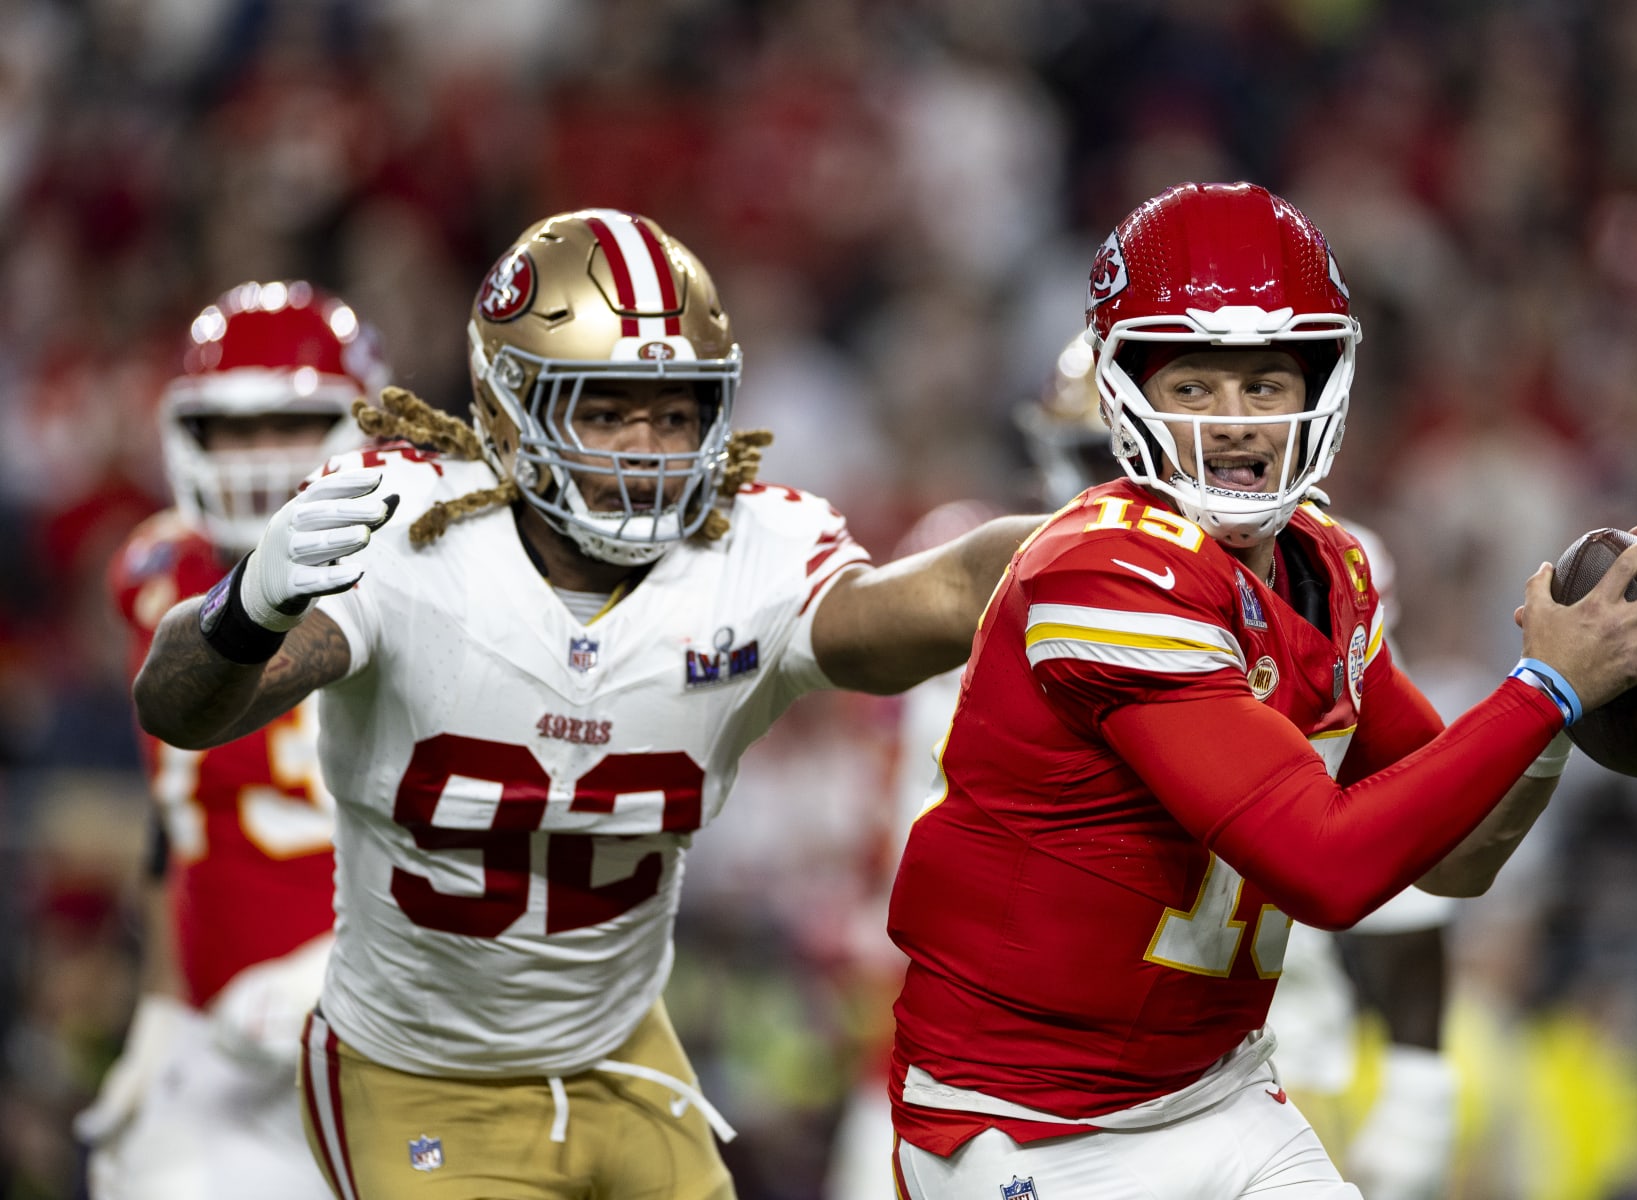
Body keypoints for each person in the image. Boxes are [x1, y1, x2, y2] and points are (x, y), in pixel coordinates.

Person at [129, 208, 1042, 1200]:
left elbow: (949, 591)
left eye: (676, 411)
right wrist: (246, 605)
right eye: (604, 412)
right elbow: (183, 707)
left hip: (621, 1053)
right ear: (512, 413)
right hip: (425, 1076)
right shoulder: (409, 538)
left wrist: (1114, 547)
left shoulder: (748, 560)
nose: (647, 448)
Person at [883, 181, 1637, 1199]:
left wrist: (1560, 709)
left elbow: (1452, 860)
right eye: (1194, 387)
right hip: (1030, 1122)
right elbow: (1322, 866)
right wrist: (1545, 687)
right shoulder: (1103, 576)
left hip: (1217, 1094)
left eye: (1266, 384)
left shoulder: (1329, 564)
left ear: (1321, 385)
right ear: (1125, 390)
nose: (1235, 425)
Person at [824, 333, 1459, 1200]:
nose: (1126, 484)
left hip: (1262, 1060)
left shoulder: (1314, 577)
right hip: (1031, 1082)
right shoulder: (1008, 580)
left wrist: (1420, 1072)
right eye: (1103, 453)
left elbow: (1402, 818)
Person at [79, 280, 385, 1200]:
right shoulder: (156, 572)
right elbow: (175, 826)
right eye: (231, 429)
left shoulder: (413, 569)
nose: (257, 457)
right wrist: (161, 1010)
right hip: (220, 1033)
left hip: (385, 1026)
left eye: (287, 426)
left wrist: (355, 978)